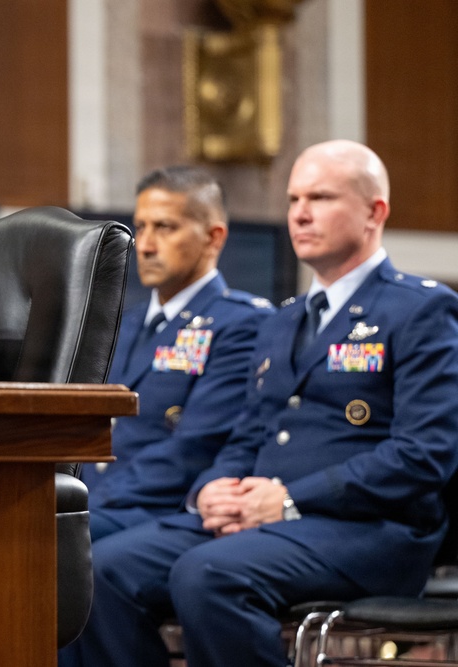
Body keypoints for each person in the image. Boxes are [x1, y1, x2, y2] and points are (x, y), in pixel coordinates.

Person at [61, 140, 458, 667]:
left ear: (374, 212)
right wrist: (211, 490)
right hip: (266, 517)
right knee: (99, 569)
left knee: (209, 575)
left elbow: (425, 454)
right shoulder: (285, 320)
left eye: (320, 197)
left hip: (371, 530)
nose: (300, 214)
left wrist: (292, 497)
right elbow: (249, 433)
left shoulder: (420, 310)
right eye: (294, 199)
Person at [82, 166, 273, 541]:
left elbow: (194, 447)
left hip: (157, 510)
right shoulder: (124, 323)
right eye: (141, 227)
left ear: (213, 238)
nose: (147, 244)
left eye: (165, 227)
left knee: (41, 538)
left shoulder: (240, 322)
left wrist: (90, 500)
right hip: (103, 503)